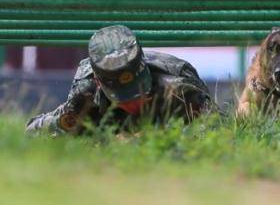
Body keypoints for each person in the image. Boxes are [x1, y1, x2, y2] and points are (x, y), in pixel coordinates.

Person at [26, 25, 218, 134]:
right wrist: (65, 123)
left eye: (139, 90)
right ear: (99, 82)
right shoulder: (87, 92)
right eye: (123, 97)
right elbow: (33, 133)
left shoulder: (181, 89)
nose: (134, 101)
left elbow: (219, 132)